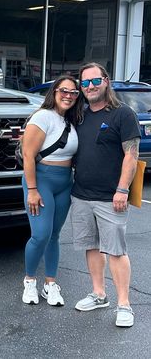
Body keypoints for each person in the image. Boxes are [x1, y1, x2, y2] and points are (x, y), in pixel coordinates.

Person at [71, 62, 140, 328]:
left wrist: (122, 189)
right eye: (85, 83)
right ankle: (99, 294)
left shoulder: (123, 114)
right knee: (91, 246)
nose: (90, 87)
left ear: (106, 81)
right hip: (81, 195)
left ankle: (125, 305)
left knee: (115, 251)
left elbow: (131, 156)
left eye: (95, 81)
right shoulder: (81, 115)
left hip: (111, 197)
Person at [21, 75, 83, 306]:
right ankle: (29, 281)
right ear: (54, 92)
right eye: (63, 91)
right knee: (40, 234)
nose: (68, 95)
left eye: (73, 92)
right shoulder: (43, 116)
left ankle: (50, 284)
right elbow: (28, 155)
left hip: (65, 182)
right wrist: (33, 189)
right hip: (41, 180)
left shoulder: (72, 120)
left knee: (54, 235)